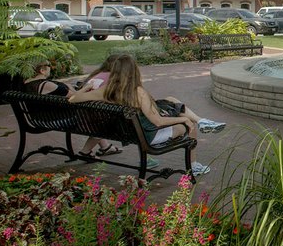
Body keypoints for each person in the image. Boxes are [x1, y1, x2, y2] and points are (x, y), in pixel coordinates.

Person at [69, 54, 226, 176]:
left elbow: (73, 99)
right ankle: (194, 166)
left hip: (129, 133)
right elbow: (157, 122)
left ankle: (199, 124)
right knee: (187, 126)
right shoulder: (138, 92)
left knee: (171, 104)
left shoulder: (105, 91)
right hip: (148, 136)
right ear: (133, 71)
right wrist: (184, 119)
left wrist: (86, 87)